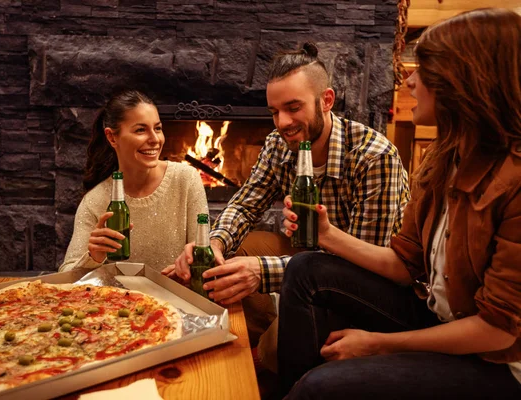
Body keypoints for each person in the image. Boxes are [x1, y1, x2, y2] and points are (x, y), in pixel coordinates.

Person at [278, 8, 521, 398]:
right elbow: (404, 266)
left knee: (320, 387)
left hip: (496, 361)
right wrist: (327, 235)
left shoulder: (515, 181)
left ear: (464, 81)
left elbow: (497, 328)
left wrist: (378, 343)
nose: (408, 80)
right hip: (436, 311)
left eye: (423, 69)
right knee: (306, 268)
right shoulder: (445, 157)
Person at [164, 42, 410, 369]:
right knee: (231, 260)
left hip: (364, 285)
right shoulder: (278, 144)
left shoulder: (373, 157)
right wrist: (213, 243)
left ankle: (271, 353)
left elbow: (361, 267)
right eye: (274, 111)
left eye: (293, 108)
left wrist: (262, 273)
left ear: (326, 100)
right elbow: (245, 205)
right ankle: (236, 353)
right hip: (308, 258)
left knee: (273, 349)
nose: (282, 122)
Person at [60, 90, 208, 273]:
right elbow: (66, 275)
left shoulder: (186, 179)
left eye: (158, 128)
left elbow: (202, 255)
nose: (155, 139)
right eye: (140, 130)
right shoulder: (95, 200)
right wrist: (93, 258)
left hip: (177, 297)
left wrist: (186, 269)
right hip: (118, 300)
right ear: (112, 137)